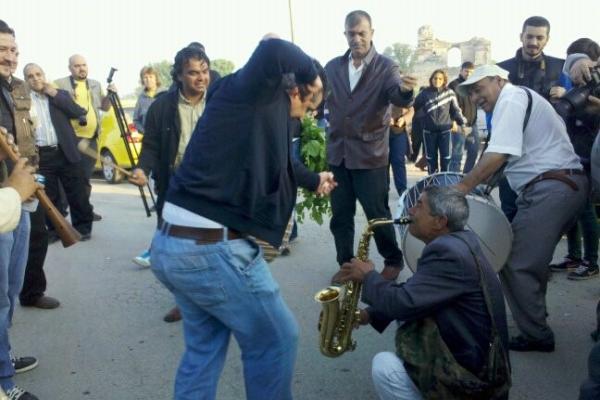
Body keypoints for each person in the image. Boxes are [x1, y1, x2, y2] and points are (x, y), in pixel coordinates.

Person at [148, 37, 333, 400]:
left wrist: (314, 180)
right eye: (313, 101)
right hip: (209, 248)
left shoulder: (256, 111)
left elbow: (284, 162)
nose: (311, 112)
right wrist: (312, 74)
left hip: (174, 243)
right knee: (277, 338)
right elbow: (272, 49)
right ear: (298, 89)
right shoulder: (258, 91)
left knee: (205, 348)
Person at [455, 64, 587, 352]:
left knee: (515, 261)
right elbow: (504, 159)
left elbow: (498, 153)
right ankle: (535, 318)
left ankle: (537, 335)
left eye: (478, 89)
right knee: (529, 260)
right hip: (557, 186)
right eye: (471, 93)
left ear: (498, 80)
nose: (476, 98)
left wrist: (460, 189)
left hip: (552, 187)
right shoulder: (513, 100)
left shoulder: (511, 99)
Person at [338, 186, 509, 400]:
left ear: (440, 221)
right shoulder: (459, 243)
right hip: (479, 367)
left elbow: (403, 303)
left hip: (472, 382)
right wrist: (367, 315)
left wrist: (369, 276)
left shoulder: (448, 253)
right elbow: (417, 290)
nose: (410, 210)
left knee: (385, 367)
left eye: (419, 205)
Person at [326, 10, 417, 281]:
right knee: (340, 216)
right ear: (345, 35)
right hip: (338, 155)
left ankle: (393, 259)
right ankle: (346, 264)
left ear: (372, 33)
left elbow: (397, 96)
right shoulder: (332, 67)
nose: (356, 39)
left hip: (370, 156)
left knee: (377, 214)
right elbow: (320, 100)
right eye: (351, 34)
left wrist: (406, 91)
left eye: (361, 33)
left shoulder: (386, 67)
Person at [129, 46, 212, 323]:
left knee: (213, 248)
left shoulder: (219, 100)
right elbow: (151, 146)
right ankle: (185, 302)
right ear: (178, 75)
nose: (201, 78)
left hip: (214, 187)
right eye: (193, 73)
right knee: (176, 252)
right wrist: (142, 169)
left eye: (204, 71)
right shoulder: (162, 107)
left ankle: (214, 302)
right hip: (175, 186)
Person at [0, 19, 40, 400]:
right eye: (2, 50)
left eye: (14, 50)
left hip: (21, 200)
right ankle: (3, 383)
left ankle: (3, 356)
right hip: (1, 205)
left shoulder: (15, 92)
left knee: (11, 291)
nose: (10, 57)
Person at [496, 16, 565, 222]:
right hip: (510, 148)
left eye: (539, 37)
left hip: (546, 149)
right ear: (521, 36)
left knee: (542, 209)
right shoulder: (501, 69)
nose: (533, 42)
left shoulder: (560, 67)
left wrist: (565, 92)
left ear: (547, 40)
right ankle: (509, 252)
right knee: (509, 207)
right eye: (529, 36)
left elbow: (575, 102)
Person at [550, 39, 600, 280]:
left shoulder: (596, 89)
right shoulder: (575, 88)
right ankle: (574, 256)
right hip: (572, 154)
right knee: (571, 206)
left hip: (590, 156)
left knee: (586, 209)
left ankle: (591, 261)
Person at [55, 54, 115, 223]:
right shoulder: (60, 84)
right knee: (72, 180)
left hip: (91, 139)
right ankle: (67, 214)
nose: (81, 68)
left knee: (85, 179)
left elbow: (105, 107)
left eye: (84, 65)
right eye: (77, 65)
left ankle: (85, 209)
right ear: (70, 68)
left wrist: (110, 95)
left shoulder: (95, 84)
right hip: (72, 140)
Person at [413, 69, 467, 174]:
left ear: (444, 80)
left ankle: (443, 183)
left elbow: (455, 110)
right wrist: (423, 120)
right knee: (430, 159)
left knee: (446, 159)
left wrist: (462, 123)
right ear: (431, 79)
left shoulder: (449, 93)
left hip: (445, 131)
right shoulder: (424, 93)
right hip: (428, 132)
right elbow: (415, 108)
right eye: (435, 78)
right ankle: (432, 183)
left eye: (440, 78)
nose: (437, 80)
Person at [448, 61, 479, 173]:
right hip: (458, 124)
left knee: (474, 151)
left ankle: (466, 177)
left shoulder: (474, 85)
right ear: (461, 71)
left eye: (471, 72)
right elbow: (449, 106)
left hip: (472, 124)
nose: (468, 74)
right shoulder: (453, 85)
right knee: (457, 155)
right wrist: (453, 122)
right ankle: (453, 180)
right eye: (466, 71)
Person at [388, 105, 414, 196]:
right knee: (382, 163)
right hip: (380, 133)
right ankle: (383, 189)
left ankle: (402, 191)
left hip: (399, 131)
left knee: (398, 161)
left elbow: (411, 110)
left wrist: (405, 119)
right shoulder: (376, 91)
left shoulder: (402, 92)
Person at [132, 66, 162, 133]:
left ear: (156, 79)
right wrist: (145, 132)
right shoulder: (141, 98)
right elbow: (136, 120)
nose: (148, 80)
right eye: (145, 77)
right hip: (149, 139)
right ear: (142, 80)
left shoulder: (165, 94)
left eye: (151, 77)